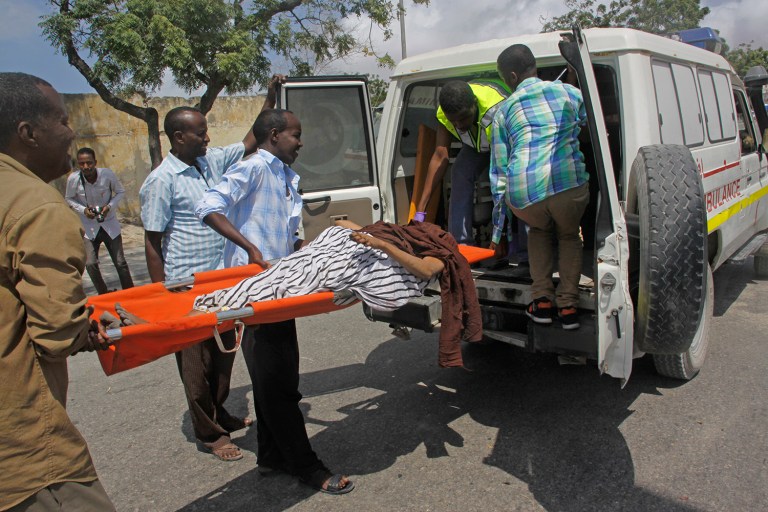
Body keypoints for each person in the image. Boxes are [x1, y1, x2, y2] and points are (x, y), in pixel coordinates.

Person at [194, 108, 357, 494]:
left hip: (280, 290)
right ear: (273, 134)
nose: (300, 143)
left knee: (278, 379)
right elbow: (208, 205)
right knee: (278, 383)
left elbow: (283, 236)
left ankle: (270, 457)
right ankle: (307, 466)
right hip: (254, 294)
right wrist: (249, 246)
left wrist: (310, 249)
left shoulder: (285, 177)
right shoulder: (253, 168)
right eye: (295, 135)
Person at [138, 75, 285, 462]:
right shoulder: (161, 181)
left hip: (221, 280)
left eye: (206, 133)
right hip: (184, 285)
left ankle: (220, 412)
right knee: (194, 363)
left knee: (224, 353)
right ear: (177, 137)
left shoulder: (210, 162)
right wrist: (161, 296)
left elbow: (252, 140)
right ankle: (208, 432)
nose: (207, 138)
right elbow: (152, 242)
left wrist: (270, 97)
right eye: (200, 133)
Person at [0, 72, 115, 511]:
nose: (72, 132)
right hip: (22, 444)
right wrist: (85, 329)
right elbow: (55, 335)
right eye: (63, 121)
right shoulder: (37, 207)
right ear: (27, 133)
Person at [490, 44, 590, 330]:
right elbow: (585, 124)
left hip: (524, 197)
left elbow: (499, 170)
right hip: (568, 186)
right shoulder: (570, 93)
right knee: (570, 236)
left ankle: (542, 301)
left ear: (511, 76)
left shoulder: (503, 111)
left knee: (539, 231)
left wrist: (498, 233)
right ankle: (568, 306)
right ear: (533, 65)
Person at [413, 78, 528, 258]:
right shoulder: (446, 113)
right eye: (454, 121)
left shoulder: (498, 110)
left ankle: (524, 251)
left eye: (463, 118)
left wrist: (500, 236)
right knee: (460, 171)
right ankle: (460, 245)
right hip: (478, 142)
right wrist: (420, 210)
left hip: (507, 142)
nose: (459, 126)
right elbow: (440, 156)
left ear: (474, 104)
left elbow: (501, 178)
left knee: (516, 183)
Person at [65, 147, 134, 294]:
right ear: (78, 164)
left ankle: (131, 293)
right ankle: (103, 293)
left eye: (89, 163)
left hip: (109, 224)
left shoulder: (107, 175)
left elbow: (120, 191)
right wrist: (83, 210)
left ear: (95, 162)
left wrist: (109, 207)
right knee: (90, 264)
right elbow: (69, 198)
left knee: (120, 262)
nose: (86, 167)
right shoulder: (73, 179)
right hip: (88, 226)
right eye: (82, 164)